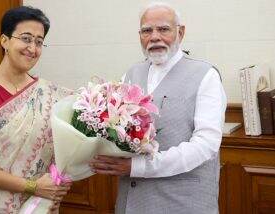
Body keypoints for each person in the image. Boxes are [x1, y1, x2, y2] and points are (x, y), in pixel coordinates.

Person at [90, 2, 226, 213]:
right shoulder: (131, 75)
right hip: (132, 201)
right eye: (147, 31)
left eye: (163, 29)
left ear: (180, 32)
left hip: (182, 203)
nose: (154, 37)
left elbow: (206, 145)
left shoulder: (205, 75)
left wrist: (140, 167)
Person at [0, 6, 72, 213]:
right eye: (26, 38)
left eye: (39, 42)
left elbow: (59, 154)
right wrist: (34, 187)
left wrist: (57, 183)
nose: (32, 48)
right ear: (4, 41)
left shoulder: (46, 93)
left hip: (36, 207)